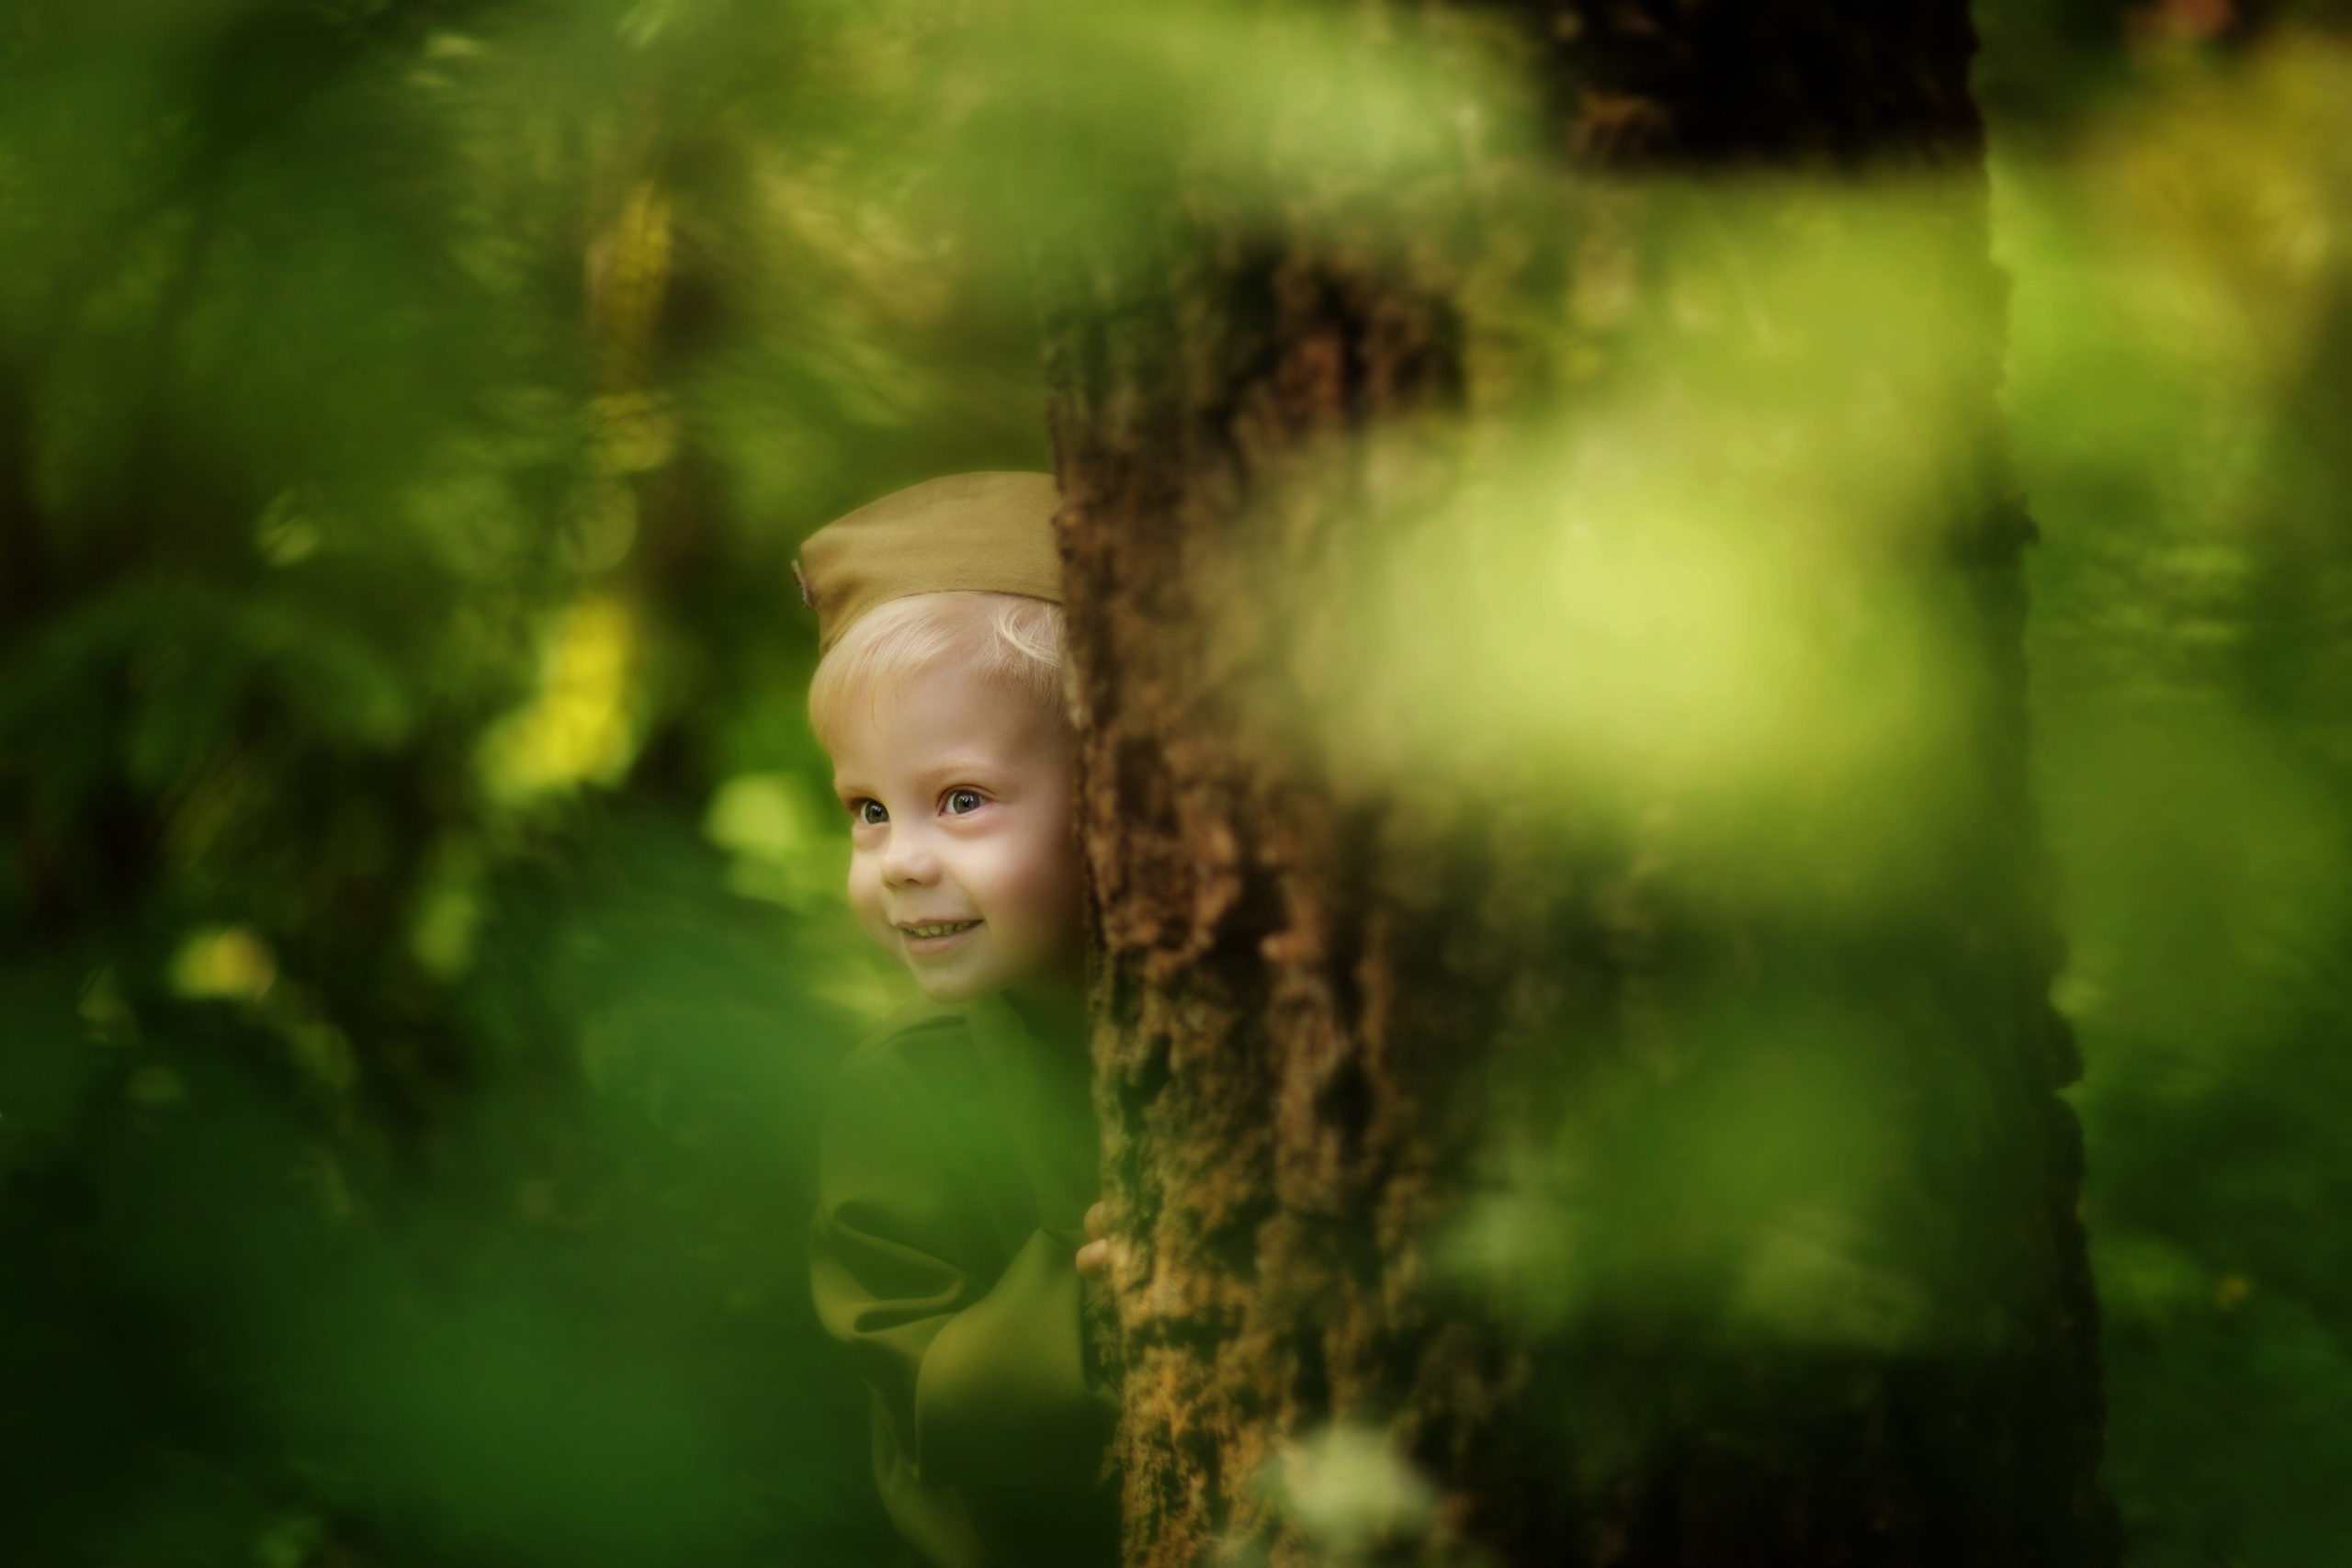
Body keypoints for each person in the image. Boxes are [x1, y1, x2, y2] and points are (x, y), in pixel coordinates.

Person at [801, 471, 1119, 1568]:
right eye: (868, 811)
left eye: (963, 800)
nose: (902, 861)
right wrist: (1093, 1322)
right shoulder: (903, 1089)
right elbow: (923, 1390)